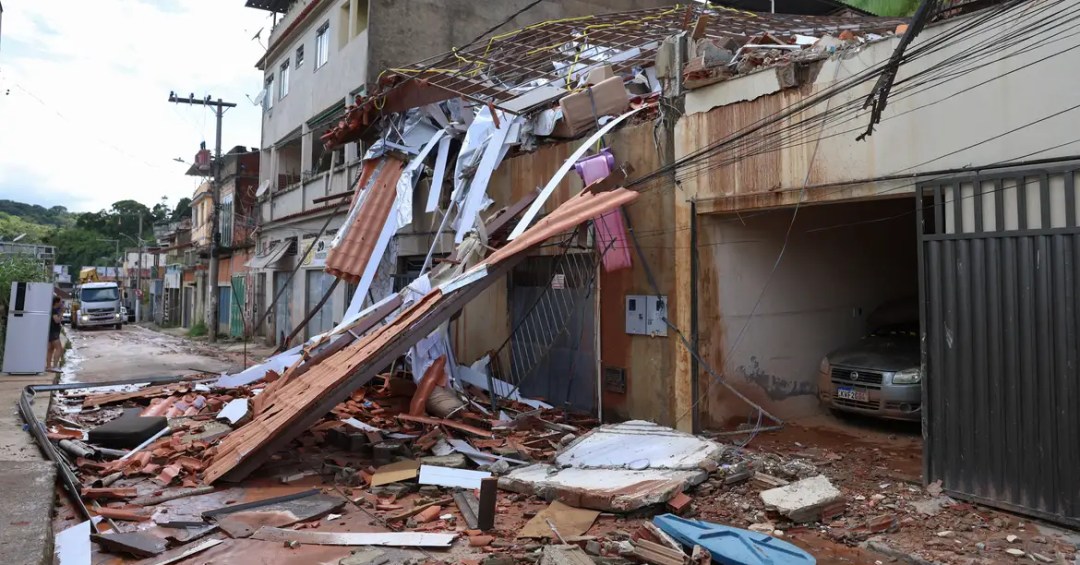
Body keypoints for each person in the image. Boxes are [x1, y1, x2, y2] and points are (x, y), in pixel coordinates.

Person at [47, 295, 63, 372]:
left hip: (50, 331)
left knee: (50, 349)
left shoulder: (51, 309)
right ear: (56, 302)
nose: (61, 303)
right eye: (60, 302)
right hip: (54, 332)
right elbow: (57, 320)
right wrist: (61, 314)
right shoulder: (54, 311)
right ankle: (55, 366)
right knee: (59, 348)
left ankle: (48, 366)